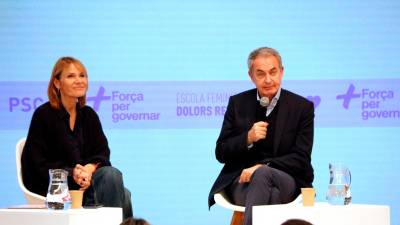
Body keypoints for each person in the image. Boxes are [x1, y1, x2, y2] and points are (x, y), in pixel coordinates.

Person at [208, 47, 314, 225]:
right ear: (251, 76)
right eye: (260, 74)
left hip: (286, 179)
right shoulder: (238, 103)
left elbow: (301, 158)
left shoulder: (301, 107)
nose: (268, 80)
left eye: (273, 72)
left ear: (281, 72)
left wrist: (262, 166)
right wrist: (247, 138)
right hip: (243, 182)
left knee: (263, 174)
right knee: (271, 195)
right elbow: (221, 152)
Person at [22, 57, 133, 219]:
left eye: (82, 75)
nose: (79, 81)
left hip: (86, 189)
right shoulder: (43, 116)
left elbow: (102, 152)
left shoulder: (88, 115)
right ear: (57, 83)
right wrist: (72, 173)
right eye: (71, 76)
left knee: (116, 182)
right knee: (118, 187)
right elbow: (36, 165)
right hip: (59, 194)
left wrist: (88, 169)